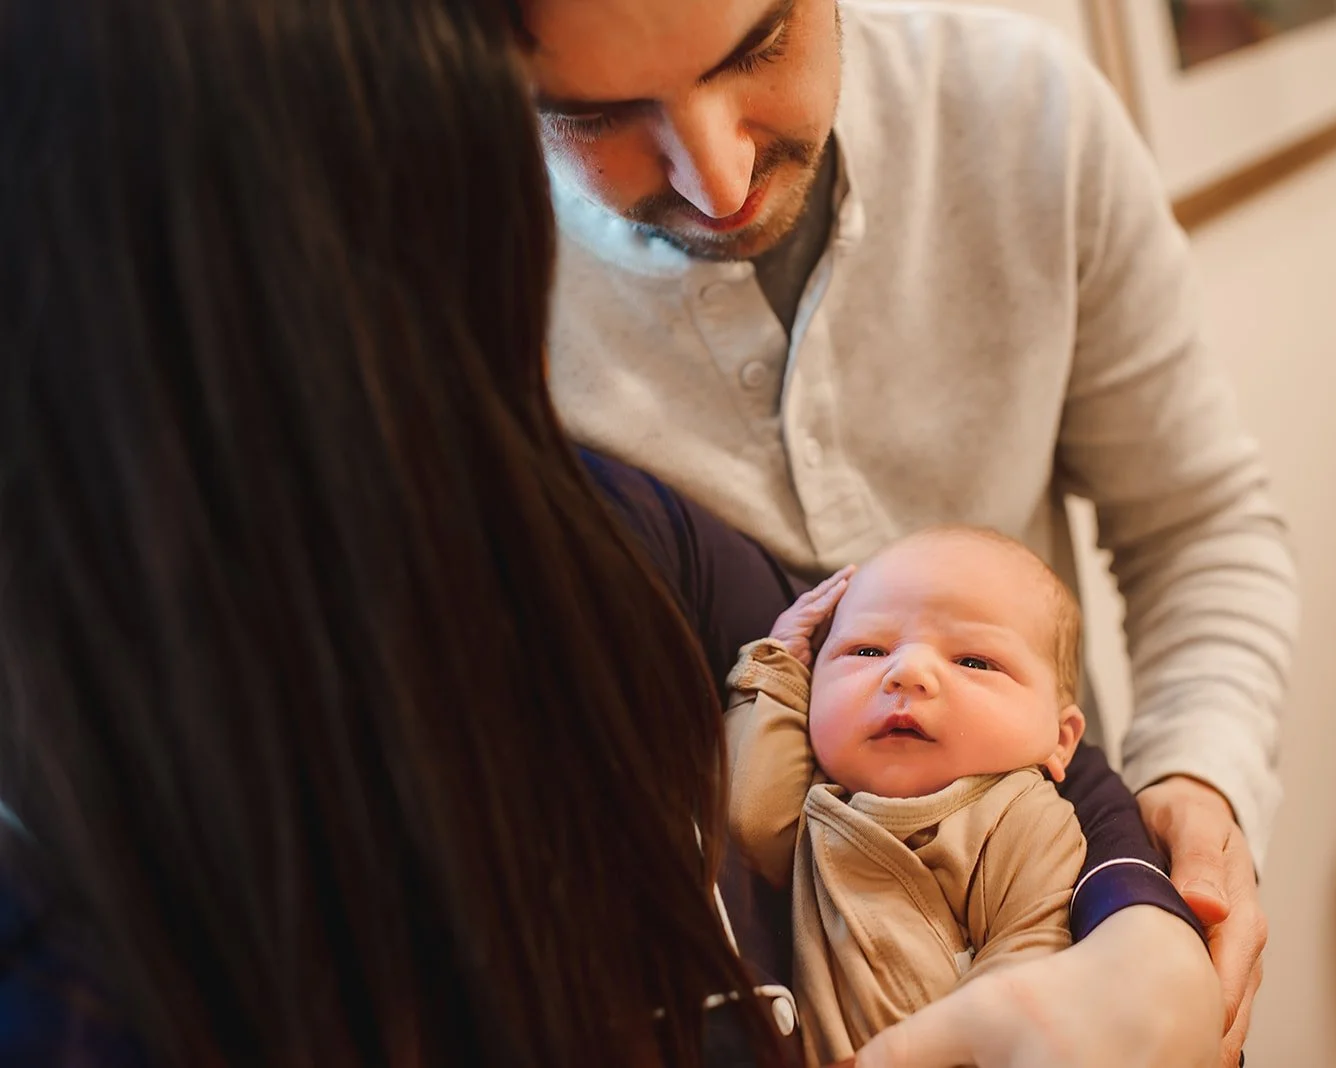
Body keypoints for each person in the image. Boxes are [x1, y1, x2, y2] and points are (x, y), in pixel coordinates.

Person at [0, 0, 785, 1063]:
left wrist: (1099, 928)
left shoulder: (606, 533)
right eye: (573, 124)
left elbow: (956, 694)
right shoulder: (72, 937)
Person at [527, 0, 1299, 1061]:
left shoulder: (1029, 114)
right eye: (598, 112)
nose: (717, 177)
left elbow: (1199, 527)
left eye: (759, 49)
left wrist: (1196, 782)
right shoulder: (426, 270)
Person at [727, 529, 1093, 1064]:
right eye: (867, 650)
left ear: (1059, 739)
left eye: (973, 662)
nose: (906, 673)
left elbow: (1030, 963)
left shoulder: (1021, 817)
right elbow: (750, 822)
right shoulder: (817, 798)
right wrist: (779, 669)